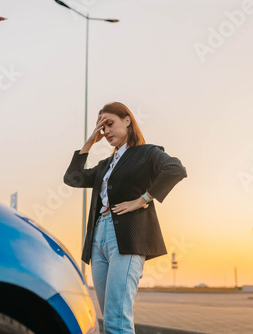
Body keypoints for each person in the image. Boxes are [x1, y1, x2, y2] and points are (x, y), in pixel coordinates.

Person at [63, 102, 187, 333]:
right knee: (109, 314)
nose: (106, 131)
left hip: (127, 236)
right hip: (98, 237)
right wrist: (90, 141)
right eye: (101, 127)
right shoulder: (105, 165)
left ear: (127, 120)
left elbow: (175, 169)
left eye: (109, 123)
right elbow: (73, 178)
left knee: (116, 318)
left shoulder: (146, 153)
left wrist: (143, 199)